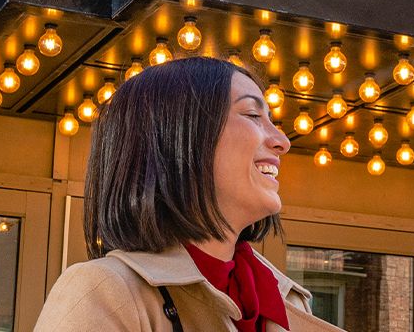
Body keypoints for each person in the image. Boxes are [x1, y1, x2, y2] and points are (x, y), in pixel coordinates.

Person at [36, 57, 339, 332]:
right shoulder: (105, 292)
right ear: (176, 138)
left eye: (272, 120)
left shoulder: (286, 302)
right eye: (252, 114)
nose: (282, 141)